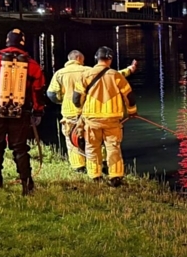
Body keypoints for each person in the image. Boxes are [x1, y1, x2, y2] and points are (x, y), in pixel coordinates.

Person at [0, 29, 46, 195]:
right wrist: (38, 112)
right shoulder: (31, 64)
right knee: (20, 148)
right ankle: (27, 184)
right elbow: (38, 91)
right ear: (22, 42)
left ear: (7, 42)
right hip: (20, 111)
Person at [46, 50, 136, 173]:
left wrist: (63, 101)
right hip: (89, 112)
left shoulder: (59, 74)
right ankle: (106, 166)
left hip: (70, 112)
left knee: (72, 139)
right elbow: (112, 76)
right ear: (78, 58)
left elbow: (51, 94)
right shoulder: (88, 71)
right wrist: (130, 69)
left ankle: (79, 167)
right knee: (99, 142)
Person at [72, 46, 137, 187]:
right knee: (113, 147)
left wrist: (79, 113)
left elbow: (76, 98)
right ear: (110, 59)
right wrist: (132, 111)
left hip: (91, 119)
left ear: (96, 58)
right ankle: (115, 176)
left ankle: (95, 176)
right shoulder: (116, 75)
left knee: (92, 147)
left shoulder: (86, 75)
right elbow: (129, 96)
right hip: (112, 120)